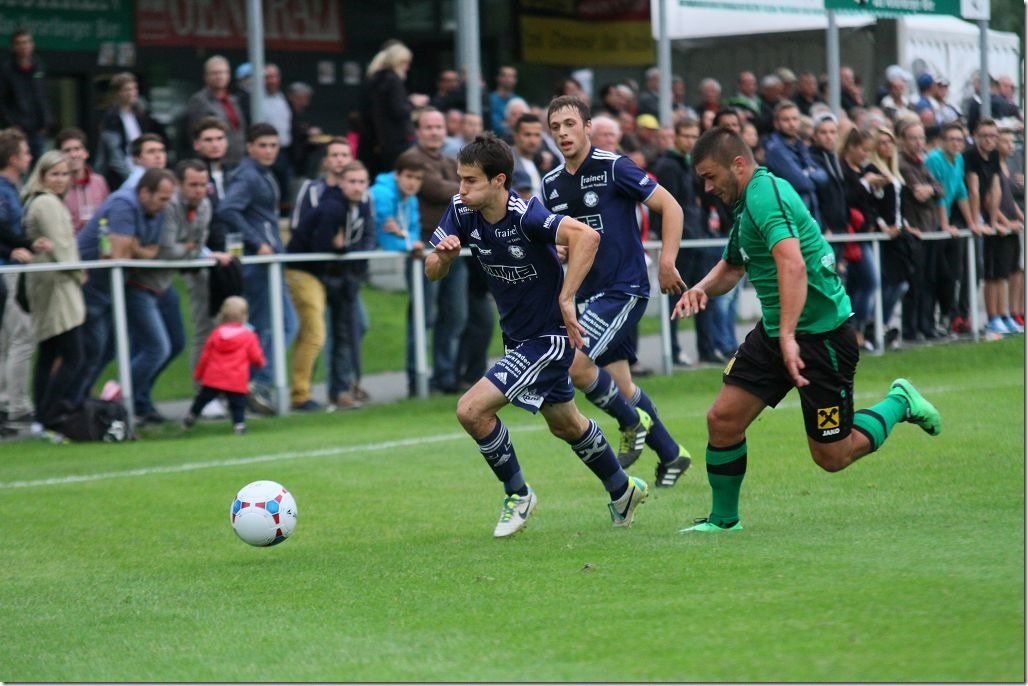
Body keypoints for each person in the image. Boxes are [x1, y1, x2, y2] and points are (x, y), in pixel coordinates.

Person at [673, 127, 942, 532]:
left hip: (821, 337)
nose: (707, 187)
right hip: (776, 333)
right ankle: (724, 521)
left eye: (710, 176)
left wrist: (788, 336)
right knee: (723, 419)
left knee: (832, 456)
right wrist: (700, 289)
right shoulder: (746, 205)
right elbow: (733, 265)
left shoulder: (766, 195)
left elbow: (793, 264)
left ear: (738, 165)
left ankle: (899, 402)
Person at [427, 133, 649, 537]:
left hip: (548, 340)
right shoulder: (461, 210)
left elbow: (587, 236)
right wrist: (443, 258)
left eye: (470, 180)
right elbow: (431, 269)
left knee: (471, 410)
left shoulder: (526, 215)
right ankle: (622, 489)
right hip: (517, 338)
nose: (461, 188)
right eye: (460, 178)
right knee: (566, 425)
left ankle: (518, 493)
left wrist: (567, 297)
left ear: (498, 180)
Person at [542, 95, 693, 488]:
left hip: (623, 288)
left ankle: (631, 423)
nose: (563, 133)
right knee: (621, 386)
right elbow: (559, 238)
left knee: (575, 364)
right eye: (556, 127)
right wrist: (558, 247)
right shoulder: (550, 184)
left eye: (570, 124)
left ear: (587, 127)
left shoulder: (614, 167)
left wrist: (666, 262)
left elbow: (671, 207)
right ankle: (672, 454)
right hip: (587, 295)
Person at [73, 168, 176, 406]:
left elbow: (153, 252)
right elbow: (119, 257)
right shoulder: (124, 204)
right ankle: (67, 406)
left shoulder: (157, 210)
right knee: (91, 349)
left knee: (106, 350)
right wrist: (137, 250)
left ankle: (80, 405)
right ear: (144, 192)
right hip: (90, 286)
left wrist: (135, 248)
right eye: (162, 199)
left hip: (113, 290)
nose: (165, 205)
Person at [217, 122, 299, 414]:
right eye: (262, 145)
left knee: (278, 326)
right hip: (259, 265)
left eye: (273, 145)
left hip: (269, 262)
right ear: (249, 147)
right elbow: (228, 209)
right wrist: (257, 242)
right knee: (276, 326)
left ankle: (251, 385)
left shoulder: (263, 174)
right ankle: (253, 384)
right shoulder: (248, 175)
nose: (268, 151)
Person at [396, 108, 465, 395]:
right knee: (423, 315)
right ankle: (417, 379)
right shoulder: (412, 159)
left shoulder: (449, 160)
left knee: (455, 314)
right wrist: (466, 187)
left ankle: (444, 377)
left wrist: (461, 187)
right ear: (418, 131)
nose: (435, 132)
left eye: (439, 126)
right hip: (424, 244)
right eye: (428, 127)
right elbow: (436, 189)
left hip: (454, 243)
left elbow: (455, 189)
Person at [21, 151, 83, 430]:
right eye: (54, 174)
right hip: (56, 282)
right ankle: (50, 413)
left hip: (51, 280)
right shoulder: (46, 202)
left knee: (49, 351)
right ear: (42, 175)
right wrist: (78, 272)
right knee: (73, 354)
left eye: (64, 174)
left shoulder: (45, 201)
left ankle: (42, 415)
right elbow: (61, 246)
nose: (60, 179)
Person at [0, 127, 42, 427]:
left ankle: (5, 403)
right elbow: (3, 229)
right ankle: (17, 404)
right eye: (26, 153)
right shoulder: (3, 190)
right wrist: (20, 247)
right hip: (8, 270)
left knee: (8, 338)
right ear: (13, 158)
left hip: (10, 267)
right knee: (22, 335)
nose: (30, 157)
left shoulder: (13, 188)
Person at [925, 122, 984, 336]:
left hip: (946, 221)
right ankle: (933, 321)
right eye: (952, 139)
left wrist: (972, 222)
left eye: (960, 140)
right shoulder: (934, 159)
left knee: (953, 273)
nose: (956, 144)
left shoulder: (958, 159)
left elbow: (961, 192)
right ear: (942, 141)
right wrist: (944, 224)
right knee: (936, 275)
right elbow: (939, 193)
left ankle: (949, 317)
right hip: (931, 222)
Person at [183, 296, 265, 435]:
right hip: (235, 378)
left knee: (203, 398)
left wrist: (198, 374)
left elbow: (205, 356)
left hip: (214, 377)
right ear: (244, 316)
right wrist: (260, 362)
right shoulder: (248, 336)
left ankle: (191, 416)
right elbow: (255, 355)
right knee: (237, 403)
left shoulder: (216, 334)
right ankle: (239, 425)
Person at [896, 120, 943, 343]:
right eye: (913, 138)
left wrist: (931, 189)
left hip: (929, 230)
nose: (918, 142)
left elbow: (939, 189)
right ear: (903, 141)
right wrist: (930, 190)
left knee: (930, 281)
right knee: (915, 283)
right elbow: (918, 194)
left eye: (921, 138)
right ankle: (911, 329)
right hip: (914, 232)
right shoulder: (902, 164)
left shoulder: (922, 164)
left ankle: (927, 325)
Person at [359, 41, 425, 176]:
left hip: (382, 140)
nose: (407, 67)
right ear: (398, 62)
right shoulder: (393, 80)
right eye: (405, 63)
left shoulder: (376, 79)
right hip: (399, 139)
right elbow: (398, 110)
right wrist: (413, 103)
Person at [94, 72, 166, 189]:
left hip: (140, 167)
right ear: (117, 93)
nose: (132, 93)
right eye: (127, 89)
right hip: (121, 176)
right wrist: (130, 176)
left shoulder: (139, 113)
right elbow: (114, 155)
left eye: (134, 89)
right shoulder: (111, 118)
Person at [763, 101, 826, 223]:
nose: (791, 124)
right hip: (788, 216)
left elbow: (823, 177)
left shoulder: (800, 145)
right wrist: (809, 173)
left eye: (794, 119)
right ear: (776, 123)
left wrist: (807, 174)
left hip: (807, 215)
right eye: (786, 120)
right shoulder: (775, 149)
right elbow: (801, 183)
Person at [186, 56, 247, 166]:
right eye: (215, 73)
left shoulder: (233, 100)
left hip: (238, 160)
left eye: (223, 72)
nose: (220, 76)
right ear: (206, 77)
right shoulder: (199, 101)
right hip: (213, 163)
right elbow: (195, 134)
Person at [0, 30, 51, 161]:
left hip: (38, 130)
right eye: (19, 43)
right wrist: (12, 124)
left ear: (32, 45)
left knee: (42, 166)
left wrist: (46, 121)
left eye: (26, 42)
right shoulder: (6, 70)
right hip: (17, 132)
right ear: (13, 47)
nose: (24, 46)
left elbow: (43, 96)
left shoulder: (39, 66)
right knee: (19, 165)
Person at [56, 128, 109, 235]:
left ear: (85, 153)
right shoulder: (58, 186)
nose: (73, 155)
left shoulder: (99, 182)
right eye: (67, 151)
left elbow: (108, 216)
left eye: (77, 149)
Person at [370, 155, 423, 253]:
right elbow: (385, 239)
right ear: (396, 175)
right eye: (409, 176)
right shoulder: (382, 193)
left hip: (397, 254)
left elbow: (415, 232)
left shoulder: (412, 198)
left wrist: (402, 233)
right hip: (374, 253)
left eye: (418, 178)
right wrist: (411, 244)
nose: (413, 183)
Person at [511, 113, 544, 198]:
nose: (533, 141)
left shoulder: (541, 162)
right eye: (527, 135)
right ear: (516, 136)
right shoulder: (507, 162)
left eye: (537, 135)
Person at [489, 66, 520, 137]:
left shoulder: (518, 100)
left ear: (515, 80)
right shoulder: (489, 99)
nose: (508, 79)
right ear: (498, 78)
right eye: (504, 75)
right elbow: (494, 124)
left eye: (511, 76)